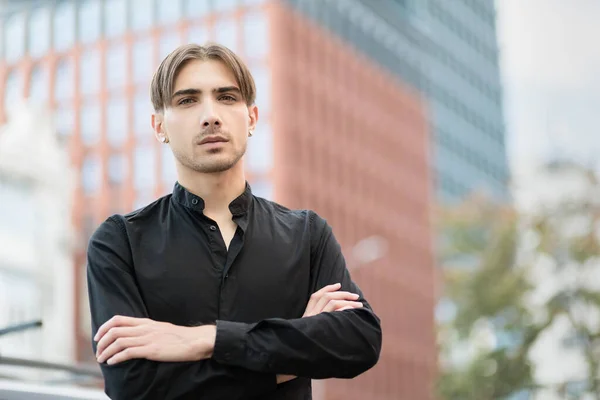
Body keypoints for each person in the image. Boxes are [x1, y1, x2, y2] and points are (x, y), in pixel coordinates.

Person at [87, 43, 382, 400]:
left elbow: (359, 340)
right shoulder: (120, 242)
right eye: (187, 100)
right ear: (159, 125)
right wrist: (293, 353)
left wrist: (203, 339)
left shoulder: (307, 235)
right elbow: (132, 384)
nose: (210, 115)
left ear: (252, 118)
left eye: (226, 97)